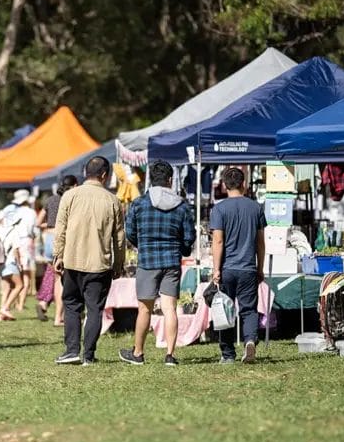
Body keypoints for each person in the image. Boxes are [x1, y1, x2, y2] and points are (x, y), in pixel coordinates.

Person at [118, 161, 196, 367]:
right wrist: (182, 249)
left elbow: (130, 232)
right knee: (170, 308)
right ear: (171, 180)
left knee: (144, 309)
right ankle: (170, 355)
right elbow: (189, 237)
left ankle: (138, 353)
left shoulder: (139, 203)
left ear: (150, 179)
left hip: (147, 261)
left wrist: (142, 245)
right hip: (171, 261)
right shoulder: (181, 205)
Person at [52, 157, 125, 365]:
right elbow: (119, 238)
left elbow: (60, 230)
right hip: (99, 264)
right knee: (95, 310)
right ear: (105, 175)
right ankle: (88, 355)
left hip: (72, 260)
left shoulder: (70, 196)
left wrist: (58, 255)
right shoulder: (113, 201)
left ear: (86, 172)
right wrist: (118, 264)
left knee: (72, 306)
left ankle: (71, 350)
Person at [210, 167, 266, 364]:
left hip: (227, 268)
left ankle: (228, 354)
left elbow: (218, 241)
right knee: (249, 309)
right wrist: (260, 268)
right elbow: (260, 242)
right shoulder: (256, 208)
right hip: (248, 267)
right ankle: (250, 341)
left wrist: (216, 269)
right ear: (244, 184)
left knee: (225, 309)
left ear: (224, 185)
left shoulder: (219, 209)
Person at [36, 175, 77, 325]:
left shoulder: (50, 200)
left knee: (56, 278)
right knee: (64, 279)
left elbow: (38, 222)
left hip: (48, 240)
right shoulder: (71, 199)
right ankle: (59, 317)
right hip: (61, 239)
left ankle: (48, 306)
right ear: (74, 185)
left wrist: (49, 225)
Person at [0, 209, 24, 322]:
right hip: (10, 261)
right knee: (19, 285)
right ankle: (5, 308)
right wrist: (19, 264)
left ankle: (2, 314)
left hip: (1, 262)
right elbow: (16, 250)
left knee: (7, 287)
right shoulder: (14, 232)